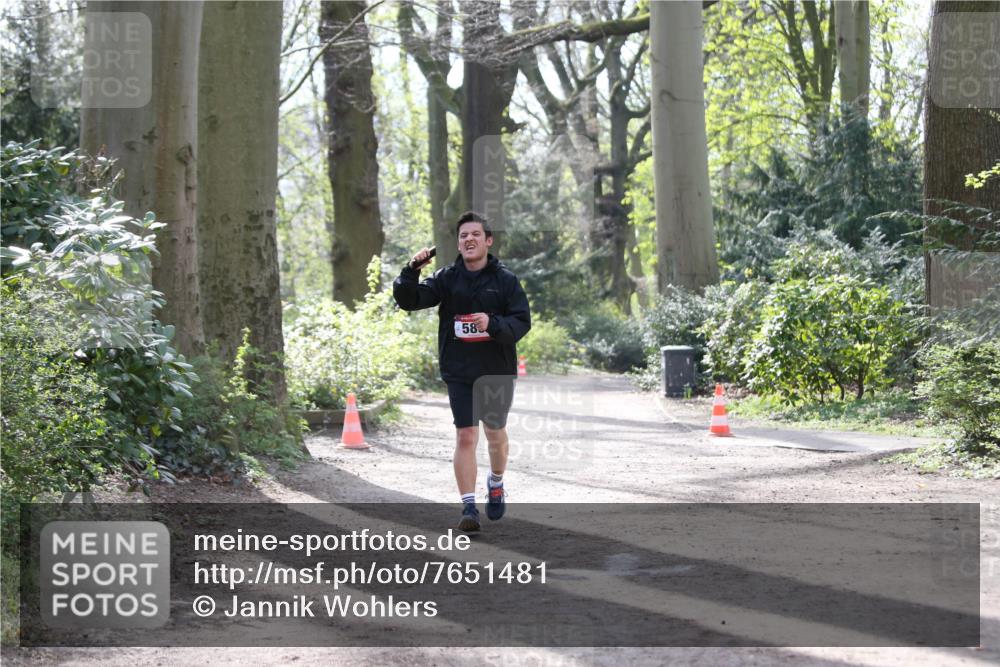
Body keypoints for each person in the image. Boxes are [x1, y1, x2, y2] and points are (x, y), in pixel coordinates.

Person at [393, 211, 531, 532]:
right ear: (458, 243)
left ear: (488, 240)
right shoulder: (446, 277)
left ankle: (495, 483)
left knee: (494, 433)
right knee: (466, 435)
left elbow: (521, 321)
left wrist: (492, 323)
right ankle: (469, 507)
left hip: (496, 370)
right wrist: (411, 271)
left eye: (475, 235)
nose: (468, 240)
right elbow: (410, 299)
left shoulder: (505, 280)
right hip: (459, 369)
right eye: (463, 236)